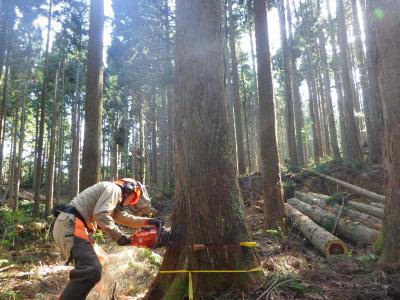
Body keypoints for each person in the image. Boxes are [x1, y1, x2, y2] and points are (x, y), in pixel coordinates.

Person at [52, 178, 163, 300]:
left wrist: (148, 222)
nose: (132, 202)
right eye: (134, 197)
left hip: (75, 226)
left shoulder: (111, 197)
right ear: (128, 188)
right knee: (90, 269)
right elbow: (101, 215)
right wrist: (119, 236)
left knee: (102, 263)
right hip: (71, 225)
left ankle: (102, 296)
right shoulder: (113, 189)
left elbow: (124, 218)